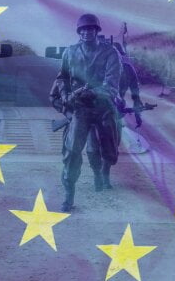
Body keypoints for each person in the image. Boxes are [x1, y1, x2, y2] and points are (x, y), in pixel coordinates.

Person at [50, 14, 121, 212]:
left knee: (110, 150)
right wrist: (65, 94)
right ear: (79, 32)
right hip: (80, 108)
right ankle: (69, 195)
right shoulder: (70, 52)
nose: (87, 32)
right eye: (83, 29)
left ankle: (101, 174)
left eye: (91, 29)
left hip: (102, 106)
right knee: (72, 151)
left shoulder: (110, 53)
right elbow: (62, 77)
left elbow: (112, 84)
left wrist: (93, 92)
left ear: (97, 31)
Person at [83, 42, 144, 191]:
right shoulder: (97, 68)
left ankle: (105, 173)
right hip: (94, 111)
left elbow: (136, 94)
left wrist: (137, 113)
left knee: (111, 148)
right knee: (92, 146)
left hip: (114, 113)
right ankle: (97, 174)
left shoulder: (128, 69)